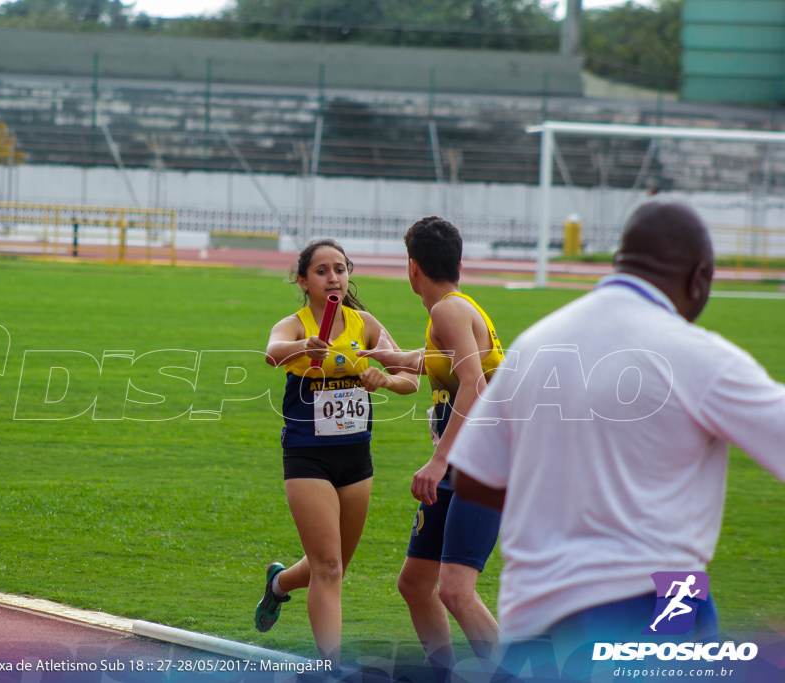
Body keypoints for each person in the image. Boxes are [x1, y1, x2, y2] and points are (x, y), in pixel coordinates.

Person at [448, 201, 785, 656]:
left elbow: (471, 474)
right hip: (657, 598)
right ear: (700, 276)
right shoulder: (698, 356)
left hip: (532, 611)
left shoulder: (538, 341)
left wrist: (561, 513)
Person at [257, 238, 418, 666]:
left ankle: (278, 584)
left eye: (341, 269)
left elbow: (409, 377)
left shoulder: (363, 324)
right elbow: (272, 354)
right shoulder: (294, 325)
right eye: (323, 271)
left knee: (333, 564)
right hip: (308, 456)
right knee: (328, 568)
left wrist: (384, 381)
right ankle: (331, 666)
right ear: (303, 280)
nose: (334, 278)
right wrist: (303, 348)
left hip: (355, 458)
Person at [357, 217, 505, 670]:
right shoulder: (454, 308)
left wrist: (438, 460)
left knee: (455, 590)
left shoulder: (448, 311)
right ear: (458, 263)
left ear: (412, 267)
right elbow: (448, 359)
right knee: (416, 583)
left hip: (480, 466)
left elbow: (472, 383)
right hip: (462, 463)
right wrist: (396, 357)